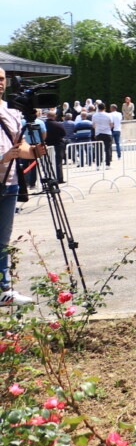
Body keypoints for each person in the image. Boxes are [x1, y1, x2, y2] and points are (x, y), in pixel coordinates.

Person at [0, 69, 36, 305]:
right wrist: (3, 157)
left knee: (3, 239)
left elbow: (20, 145)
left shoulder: (11, 111)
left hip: (10, 182)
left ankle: (4, 290)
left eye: (1, 79)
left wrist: (34, 151)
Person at [91, 99, 115, 167]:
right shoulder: (108, 115)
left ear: (98, 108)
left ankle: (98, 164)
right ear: (104, 108)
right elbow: (111, 124)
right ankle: (108, 164)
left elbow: (93, 125)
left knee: (98, 149)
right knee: (108, 149)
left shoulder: (94, 115)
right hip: (107, 132)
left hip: (98, 133)